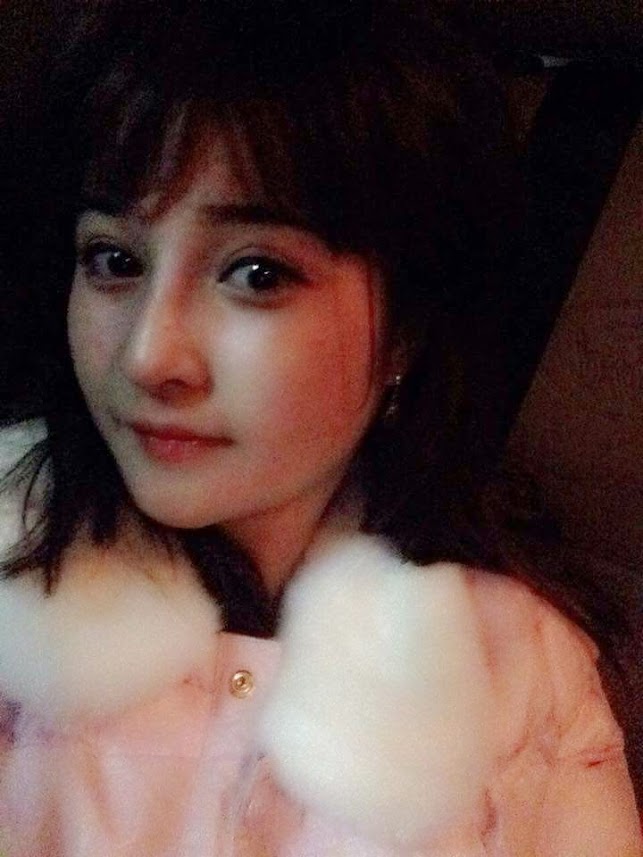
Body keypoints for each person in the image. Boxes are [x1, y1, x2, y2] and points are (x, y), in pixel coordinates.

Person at [0, 1, 640, 854]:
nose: (149, 356)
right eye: (114, 260)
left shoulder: (522, 680)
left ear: (407, 326)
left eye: (255, 273)